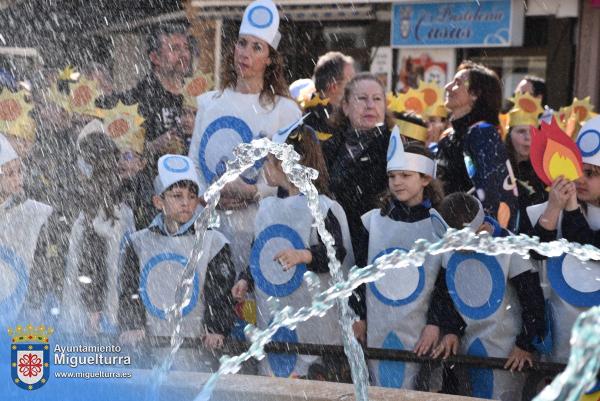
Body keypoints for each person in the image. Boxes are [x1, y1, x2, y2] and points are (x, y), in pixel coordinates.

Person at [231, 124, 353, 380]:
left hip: (313, 318)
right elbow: (260, 253)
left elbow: (336, 253)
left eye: (269, 160)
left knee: (312, 382)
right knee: (276, 375)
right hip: (274, 313)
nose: (265, 166)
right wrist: (246, 278)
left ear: (283, 164)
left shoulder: (322, 206)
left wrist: (304, 255)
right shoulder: (268, 207)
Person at [188, 0, 301, 274]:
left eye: (256, 47)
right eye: (241, 43)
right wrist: (208, 196)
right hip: (212, 230)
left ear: (270, 58)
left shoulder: (285, 112)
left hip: (262, 229)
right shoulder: (209, 104)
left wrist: (255, 193)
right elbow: (193, 163)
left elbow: (298, 181)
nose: (245, 53)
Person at [118, 154, 236, 370]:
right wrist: (132, 324)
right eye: (177, 196)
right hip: (149, 345)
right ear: (158, 201)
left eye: (192, 197)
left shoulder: (214, 242)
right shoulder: (139, 242)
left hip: (196, 344)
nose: (186, 203)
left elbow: (219, 292)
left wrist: (216, 327)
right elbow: (129, 289)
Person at [350, 129, 446, 390]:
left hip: (419, 326)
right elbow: (358, 271)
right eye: (392, 176)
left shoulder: (440, 227)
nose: (397, 182)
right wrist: (358, 314)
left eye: (405, 175)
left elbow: (444, 284)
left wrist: (435, 324)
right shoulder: (373, 221)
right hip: (378, 322)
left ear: (425, 178)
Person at [433, 193, 546, 401]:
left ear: (482, 229)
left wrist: (526, 344)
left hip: (507, 350)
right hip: (468, 347)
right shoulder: (450, 246)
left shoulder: (510, 247)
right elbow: (446, 295)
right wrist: (450, 330)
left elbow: (533, 300)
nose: (457, 248)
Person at [525, 115, 600, 364]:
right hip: (560, 328)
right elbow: (535, 254)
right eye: (580, 170)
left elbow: (587, 248)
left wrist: (569, 209)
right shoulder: (555, 204)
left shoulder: (571, 207)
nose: (581, 180)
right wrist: (554, 208)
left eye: (591, 174)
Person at [56, 120, 136, 336]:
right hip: (117, 311)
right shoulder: (122, 206)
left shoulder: (93, 211)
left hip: (90, 317)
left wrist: (93, 309)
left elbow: (91, 264)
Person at [436, 61, 519, 231]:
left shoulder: (482, 133)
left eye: (457, 83)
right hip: (446, 231)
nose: (448, 87)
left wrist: (486, 231)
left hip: (473, 237)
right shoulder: (448, 137)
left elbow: (491, 193)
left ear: (475, 94)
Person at [324, 72, 394, 254]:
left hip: (376, 246)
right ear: (346, 107)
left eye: (377, 99)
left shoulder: (395, 147)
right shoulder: (328, 147)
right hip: (332, 245)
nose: (370, 105)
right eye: (362, 98)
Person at [99, 24, 191, 160]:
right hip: (152, 178)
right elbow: (121, 152)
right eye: (175, 48)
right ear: (155, 58)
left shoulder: (197, 95)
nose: (184, 54)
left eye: (186, 48)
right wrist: (152, 147)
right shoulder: (135, 100)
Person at [0, 133, 53, 325]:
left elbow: (41, 263)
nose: (18, 178)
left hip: (21, 308)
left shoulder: (33, 212)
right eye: (10, 174)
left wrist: (34, 304)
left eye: (19, 171)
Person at [504, 94, 547, 234]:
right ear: (509, 135)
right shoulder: (499, 168)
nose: (528, 137)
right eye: (521, 131)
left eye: (532, 132)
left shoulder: (545, 171)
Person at [304, 51, 355, 142]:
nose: (357, 86)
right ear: (334, 87)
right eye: (351, 82)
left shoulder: (349, 116)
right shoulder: (308, 125)